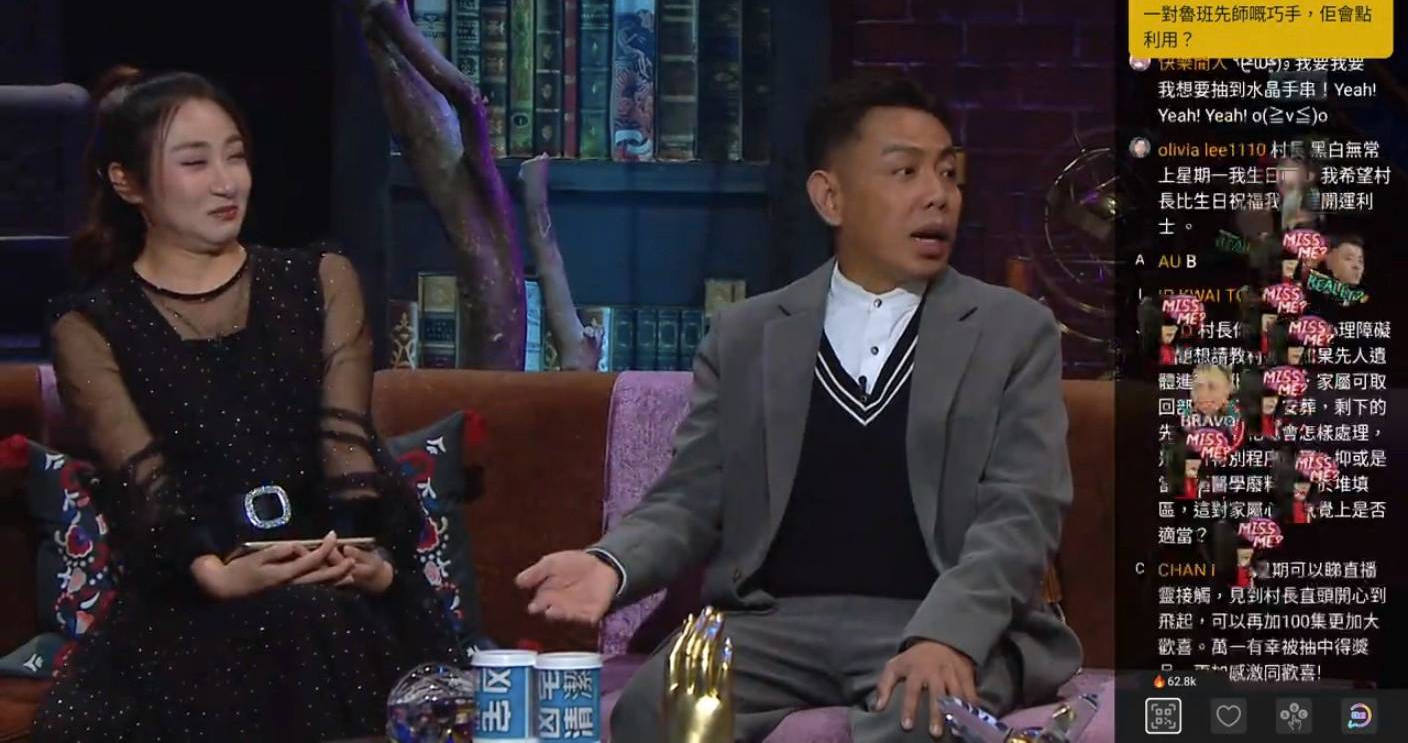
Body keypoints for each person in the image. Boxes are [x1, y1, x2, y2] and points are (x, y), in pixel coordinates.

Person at [516, 70, 1079, 741]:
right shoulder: (748, 334)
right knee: (653, 714)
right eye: (905, 173)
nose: (938, 196)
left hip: (935, 617)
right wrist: (612, 563)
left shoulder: (1011, 331)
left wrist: (949, 635)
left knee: (916, 722)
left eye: (949, 175)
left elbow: (1021, 512)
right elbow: (692, 497)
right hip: (771, 624)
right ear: (830, 197)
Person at [31, 68, 462, 741]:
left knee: (318, 616)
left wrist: (369, 556)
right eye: (195, 162)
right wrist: (218, 574)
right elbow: (144, 483)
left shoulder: (319, 280)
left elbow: (346, 444)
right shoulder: (92, 325)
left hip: (340, 582)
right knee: (281, 627)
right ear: (127, 182)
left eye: (235, 157)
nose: (226, 182)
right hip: (196, 596)